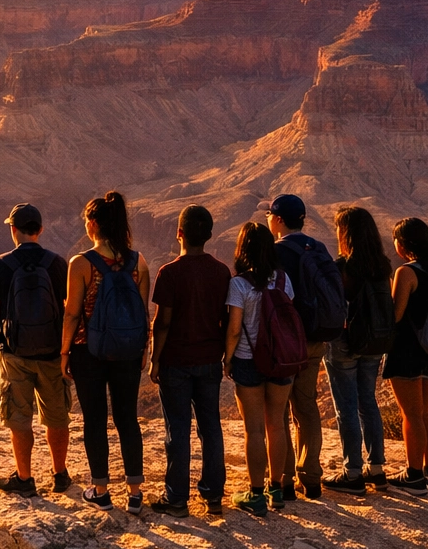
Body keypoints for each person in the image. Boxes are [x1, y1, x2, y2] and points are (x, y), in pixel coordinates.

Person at [60, 192, 150, 512]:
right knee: (128, 418)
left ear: (94, 224)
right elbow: (141, 311)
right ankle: (136, 493)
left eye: (86, 220)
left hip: (89, 351)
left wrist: (64, 353)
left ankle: (100, 490)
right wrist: (144, 349)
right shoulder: (138, 262)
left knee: (94, 420)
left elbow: (72, 314)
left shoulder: (81, 263)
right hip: (127, 350)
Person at [0, 202, 72, 496]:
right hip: (50, 352)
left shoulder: (0, 264)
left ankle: (24, 478)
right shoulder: (57, 263)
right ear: (40, 230)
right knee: (56, 415)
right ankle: (60, 474)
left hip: (14, 353)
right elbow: (68, 305)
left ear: (13, 230)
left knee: (19, 417)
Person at [147, 204, 231, 518]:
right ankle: (213, 496)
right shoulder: (221, 271)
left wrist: (155, 360)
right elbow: (225, 318)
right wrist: (226, 356)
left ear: (179, 233)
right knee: (211, 427)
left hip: (176, 362)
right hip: (209, 359)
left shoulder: (169, 273)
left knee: (177, 430)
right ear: (209, 235)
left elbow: (162, 322)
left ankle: (177, 499)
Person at [223, 221, 296, 516]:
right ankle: (276, 489)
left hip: (247, 360)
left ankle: (255, 493)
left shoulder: (239, 284)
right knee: (277, 423)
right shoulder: (283, 280)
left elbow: (234, 329)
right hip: (281, 360)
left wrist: (227, 359)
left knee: (254, 430)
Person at [268, 193, 338, 500]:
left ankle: (284, 479)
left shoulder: (276, 252)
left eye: (269, 216)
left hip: (286, 342)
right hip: (315, 340)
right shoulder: (318, 248)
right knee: (306, 406)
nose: (268, 221)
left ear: (279, 219)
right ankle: (311, 477)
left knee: (280, 408)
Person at [321, 206, 392, 495]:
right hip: (375, 342)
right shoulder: (382, 265)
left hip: (346, 344)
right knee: (368, 402)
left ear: (345, 233)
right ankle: (376, 469)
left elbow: (335, 307)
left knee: (346, 407)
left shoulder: (343, 268)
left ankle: (352, 474)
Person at [381, 217, 428, 495]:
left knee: (410, 414)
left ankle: (413, 476)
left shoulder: (406, 273)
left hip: (407, 351)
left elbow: (396, 316)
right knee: (427, 411)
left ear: (403, 244)